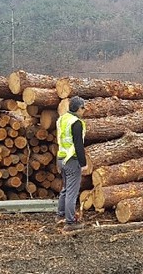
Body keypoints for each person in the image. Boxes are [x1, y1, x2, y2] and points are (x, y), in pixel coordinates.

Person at [56, 96, 88, 232]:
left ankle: (60, 215)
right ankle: (70, 222)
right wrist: (83, 163)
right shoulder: (76, 123)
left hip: (61, 158)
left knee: (65, 188)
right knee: (72, 192)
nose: (84, 110)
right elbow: (78, 145)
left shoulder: (62, 119)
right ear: (78, 108)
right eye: (83, 107)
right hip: (72, 160)